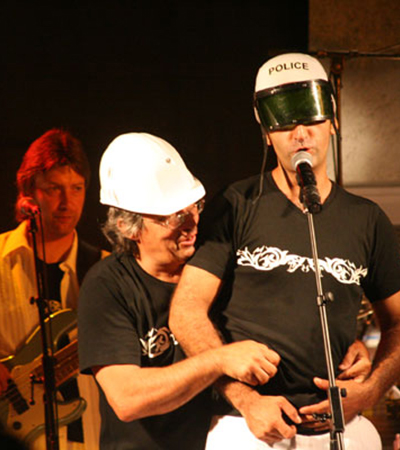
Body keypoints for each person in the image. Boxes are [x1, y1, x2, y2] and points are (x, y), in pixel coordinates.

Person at [169, 52, 400, 449]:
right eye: (286, 123)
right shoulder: (235, 205)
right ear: (266, 131)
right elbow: (186, 311)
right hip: (248, 429)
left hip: (345, 429)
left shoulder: (367, 219)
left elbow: (397, 323)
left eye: (311, 120)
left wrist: (371, 390)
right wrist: (244, 399)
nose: (301, 135)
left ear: (332, 120)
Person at [77, 132, 286, 450]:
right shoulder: (107, 285)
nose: (191, 223)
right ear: (128, 227)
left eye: (195, 207)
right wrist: (217, 360)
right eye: (173, 216)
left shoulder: (215, 265)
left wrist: (349, 348)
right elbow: (127, 398)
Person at [0, 128, 107, 449]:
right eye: (53, 189)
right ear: (28, 191)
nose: (66, 202)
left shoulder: (107, 270)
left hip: (88, 437)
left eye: (77, 188)